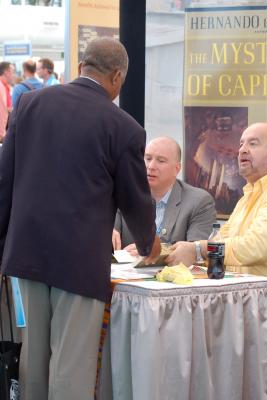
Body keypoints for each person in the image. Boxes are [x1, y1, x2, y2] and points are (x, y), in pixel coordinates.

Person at [0, 37, 161, 400]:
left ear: (80, 66)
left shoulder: (28, 103)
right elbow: (135, 199)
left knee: (34, 362)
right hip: (79, 262)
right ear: (118, 77)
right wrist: (149, 243)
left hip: (26, 256)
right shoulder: (123, 127)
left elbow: (4, 180)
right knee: (71, 368)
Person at [167, 122, 267, 400]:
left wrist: (197, 250)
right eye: (241, 143)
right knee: (197, 331)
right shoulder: (247, 197)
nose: (242, 149)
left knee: (251, 343)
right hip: (255, 300)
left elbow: (255, 247)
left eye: (253, 143)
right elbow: (222, 244)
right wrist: (172, 254)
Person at [113, 136, 216, 255]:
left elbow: (197, 252)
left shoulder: (200, 201)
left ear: (176, 169)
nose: (151, 166)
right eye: (148, 158)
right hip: (125, 273)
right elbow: (108, 223)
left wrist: (156, 252)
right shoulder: (125, 194)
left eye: (161, 161)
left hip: (172, 272)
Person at [0, 61, 15, 141]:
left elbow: (8, 109)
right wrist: (2, 134)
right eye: (13, 72)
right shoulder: (1, 88)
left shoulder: (5, 87)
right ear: (6, 73)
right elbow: (1, 112)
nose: (14, 75)